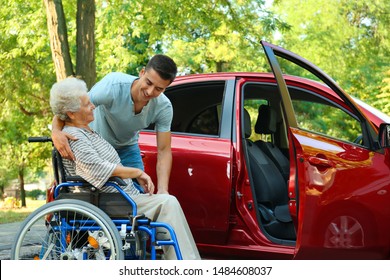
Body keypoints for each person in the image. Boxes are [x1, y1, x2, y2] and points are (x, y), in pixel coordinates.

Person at [49, 76, 201, 260]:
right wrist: (137, 172)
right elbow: (97, 169)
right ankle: (186, 264)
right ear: (71, 114)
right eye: (87, 104)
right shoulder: (75, 137)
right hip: (110, 199)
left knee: (167, 201)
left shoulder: (86, 131)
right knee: (168, 203)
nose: (93, 106)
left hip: (117, 195)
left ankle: (184, 262)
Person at [52, 54, 177, 194]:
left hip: (127, 148)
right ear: (142, 73)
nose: (150, 91)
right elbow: (71, 107)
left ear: (165, 88)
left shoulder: (163, 107)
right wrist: (55, 132)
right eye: (148, 82)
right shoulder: (112, 86)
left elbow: (164, 150)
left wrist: (163, 190)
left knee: (140, 193)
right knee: (100, 196)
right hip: (97, 147)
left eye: (158, 89)